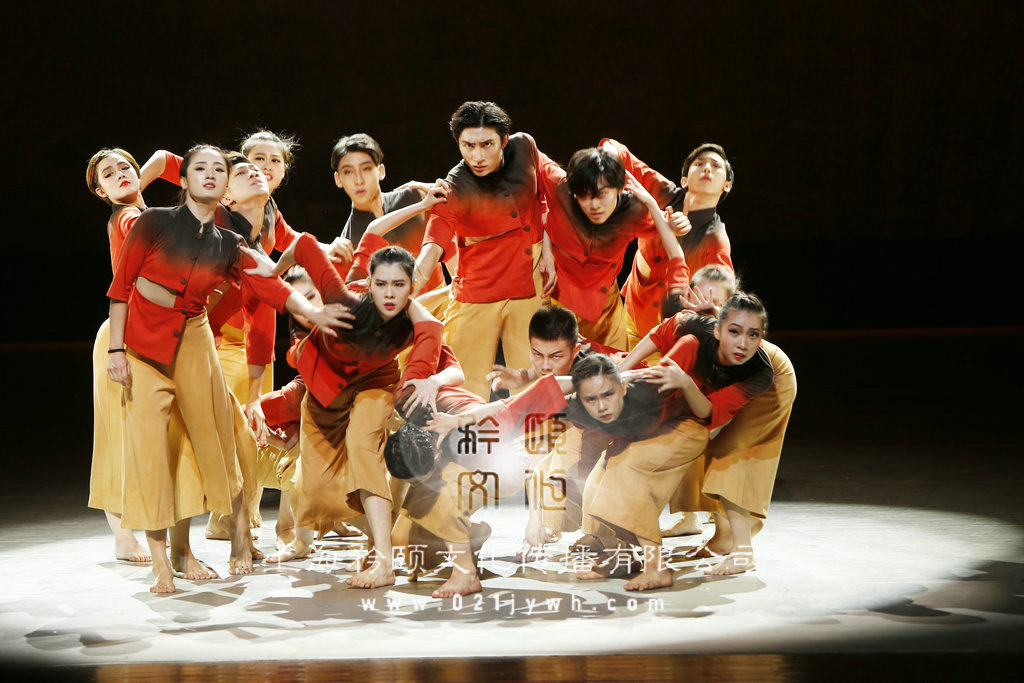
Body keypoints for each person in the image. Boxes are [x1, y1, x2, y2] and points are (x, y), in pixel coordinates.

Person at [105, 145, 346, 593]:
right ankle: (162, 562)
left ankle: (234, 533)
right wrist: (116, 350)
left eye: (220, 169)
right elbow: (121, 289)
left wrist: (313, 312)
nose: (212, 174)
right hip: (142, 341)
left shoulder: (233, 243)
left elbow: (269, 287)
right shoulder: (152, 221)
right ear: (184, 180)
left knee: (221, 436)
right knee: (153, 450)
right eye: (202, 168)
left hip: (195, 338)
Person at [256, 234, 443, 590]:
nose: (389, 294)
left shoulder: (419, 323)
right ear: (369, 283)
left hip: (375, 383)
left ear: (411, 285)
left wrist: (423, 382)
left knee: (361, 444)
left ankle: (383, 561)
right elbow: (306, 245)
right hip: (325, 388)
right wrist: (275, 270)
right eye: (381, 284)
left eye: (399, 285)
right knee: (314, 484)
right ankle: (306, 541)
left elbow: (429, 341)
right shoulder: (345, 301)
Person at [620, 293, 777, 575]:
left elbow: (710, 412)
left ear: (761, 337)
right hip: (720, 365)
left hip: (773, 386)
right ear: (717, 329)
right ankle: (723, 530)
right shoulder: (693, 327)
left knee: (727, 454)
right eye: (734, 332)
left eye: (753, 335)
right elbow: (657, 334)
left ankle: (742, 551)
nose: (743, 343)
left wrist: (684, 383)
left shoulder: (759, 374)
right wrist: (620, 371)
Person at [412, 101, 556, 398]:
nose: (477, 156)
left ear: (504, 140)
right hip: (476, 295)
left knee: (535, 389)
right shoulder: (453, 187)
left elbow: (551, 193)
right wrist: (406, 288)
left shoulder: (525, 148)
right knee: (462, 389)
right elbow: (432, 248)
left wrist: (549, 250)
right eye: (468, 146)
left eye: (486, 144)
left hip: (528, 290)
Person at [85, 146, 185, 563]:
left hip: (147, 336)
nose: (120, 174)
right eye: (108, 174)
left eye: (125, 167)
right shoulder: (129, 218)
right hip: (123, 340)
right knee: (124, 438)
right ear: (100, 192)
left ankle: (141, 530)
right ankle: (125, 536)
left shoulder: (146, 214)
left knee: (141, 436)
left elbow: (167, 160)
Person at [537, 147, 690, 349]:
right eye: (584, 195)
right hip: (556, 299)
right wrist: (546, 250)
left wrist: (675, 222)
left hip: (604, 310)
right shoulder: (560, 185)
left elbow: (668, 227)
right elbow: (528, 148)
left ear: (619, 188)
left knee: (617, 365)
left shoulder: (633, 211)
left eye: (602, 194)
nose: (594, 205)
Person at [602, 139, 735, 348]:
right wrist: (605, 159)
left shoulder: (716, 239)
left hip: (664, 336)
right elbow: (620, 153)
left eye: (716, 166)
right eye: (699, 163)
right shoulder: (663, 192)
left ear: (727, 186)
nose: (707, 168)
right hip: (629, 313)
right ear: (684, 180)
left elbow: (725, 293)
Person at [331, 133, 449, 302]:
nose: (358, 180)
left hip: (446, 304)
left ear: (381, 171)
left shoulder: (414, 197)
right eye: (348, 171)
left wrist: (437, 190)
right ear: (338, 179)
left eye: (366, 168)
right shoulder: (347, 244)